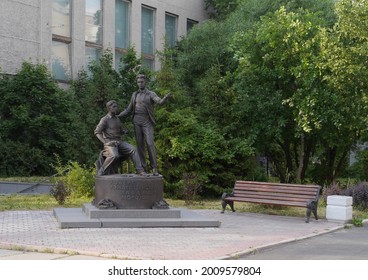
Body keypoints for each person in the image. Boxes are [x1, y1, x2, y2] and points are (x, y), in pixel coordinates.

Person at [118, 74, 171, 176]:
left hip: (147, 121)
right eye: (138, 82)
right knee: (140, 145)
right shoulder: (134, 94)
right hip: (137, 121)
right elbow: (128, 109)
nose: (140, 83)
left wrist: (164, 99)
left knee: (150, 143)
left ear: (146, 82)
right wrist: (118, 116)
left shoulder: (151, 94)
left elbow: (159, 101)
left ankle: (154, 168)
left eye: (142, 82)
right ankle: (142, 168)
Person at [95, 100, 146, 176]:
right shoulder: (104, 119)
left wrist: (123, 131)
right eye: (114, 107)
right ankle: (101, 171)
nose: (116, 108)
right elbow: (97, 132)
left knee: (133, 149)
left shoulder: (117, 119)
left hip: (119, 142)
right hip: (110, 142)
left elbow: (120, 131)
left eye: (116, 106)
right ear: (109, 108)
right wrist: (106, 142)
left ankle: (140, 170)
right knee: (114, 155)